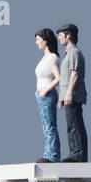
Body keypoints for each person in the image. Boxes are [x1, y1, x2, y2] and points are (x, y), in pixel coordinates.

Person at [57, 23, 88, 162]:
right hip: (68, 96)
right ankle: (75, 153)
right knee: (71, 125)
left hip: (73, 96)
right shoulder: (68, 53)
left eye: (61, 35)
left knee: (75, 125)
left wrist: (69, 93)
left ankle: (78, 154)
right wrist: (61, 97)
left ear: (68, 35)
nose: (59, 38)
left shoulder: (74, 52)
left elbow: (74, 74)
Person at [34, 28, 61, 162]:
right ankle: (48, 153)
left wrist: (45, 91)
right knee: (46, 127)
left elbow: (58, 78)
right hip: (41, 95)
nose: (36, 42)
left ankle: (52, 155)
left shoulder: (52, 58)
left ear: (46, 41)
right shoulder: (44, 58)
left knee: (50, 127)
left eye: (39, 40)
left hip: (47, 95)